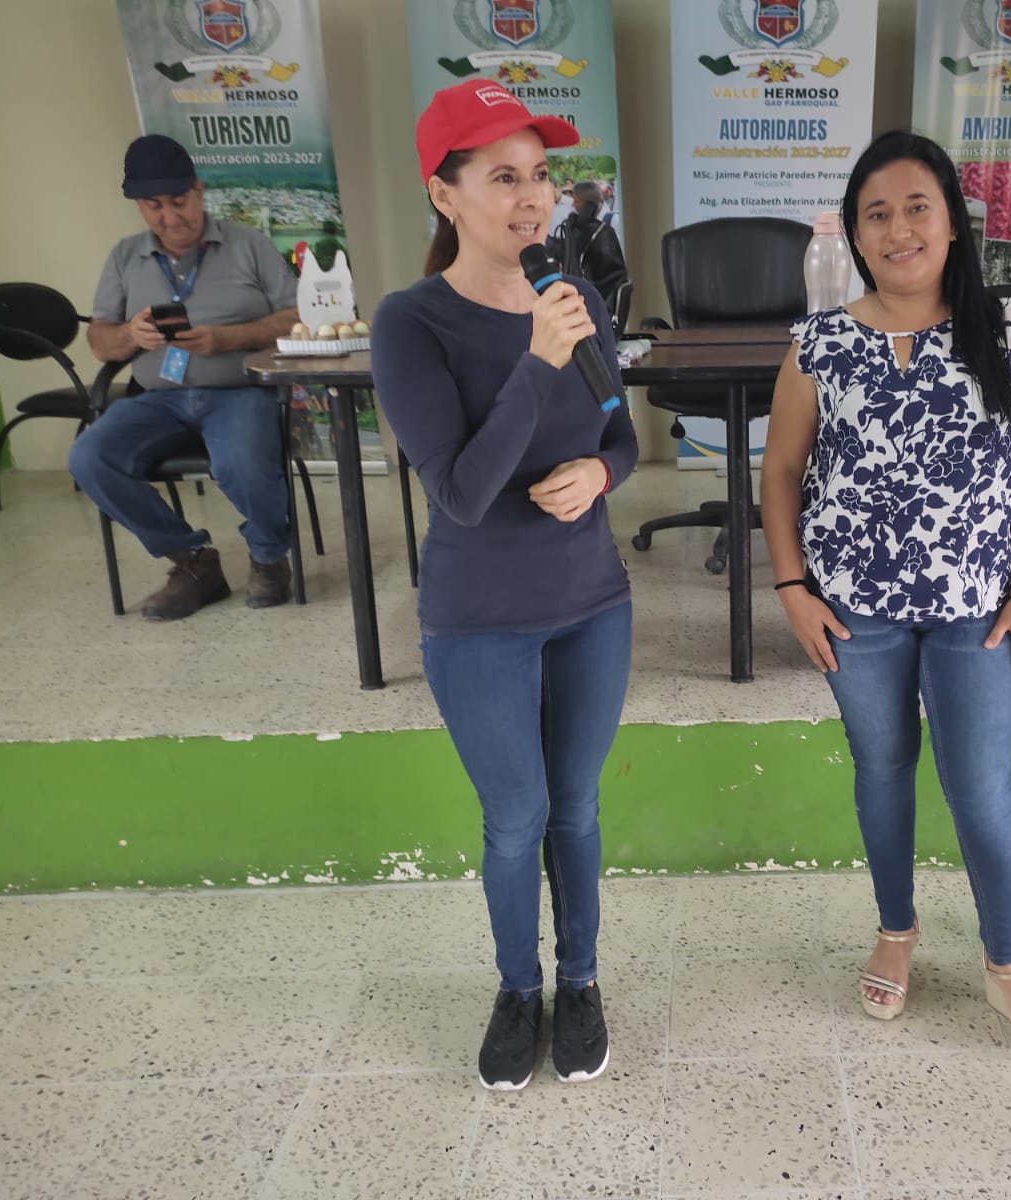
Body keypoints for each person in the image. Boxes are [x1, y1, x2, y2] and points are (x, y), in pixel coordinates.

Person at [761, 130, 1011, 1055]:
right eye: (877, 214)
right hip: (852, 608)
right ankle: (896, 930)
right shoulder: (819, 344)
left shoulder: (1008, 333)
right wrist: (791, 586)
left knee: (981, 788)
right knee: (883, 768)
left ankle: (1006, 960)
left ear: (952, 222)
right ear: (855, 233)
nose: (898, 230)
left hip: (979, 606)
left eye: (916, 208)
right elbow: (780, 472)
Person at [369, 79, 637, 1091]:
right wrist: (536, 360)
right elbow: (461, 494)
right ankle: (517, 988)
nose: (533, 198)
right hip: (479, 619)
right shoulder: (411, 323)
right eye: (503, 177)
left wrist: (601, 473)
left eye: (540, 174)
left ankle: (580, 981)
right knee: (516, 818)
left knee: (576, 809)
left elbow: (621, 433)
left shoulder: (578, 300)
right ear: (444, 196)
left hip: (591, 604)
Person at [70, 134, 302, 620]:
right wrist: (131, 335)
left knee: (240, 461)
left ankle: (268, 556)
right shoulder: (124, 256)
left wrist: (230, 338)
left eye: (179, 201)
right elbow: (100, 342)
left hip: (239, 392)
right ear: (138, 206)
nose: (171, 217)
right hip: (158, 399)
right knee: (89, 457)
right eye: (154, 206)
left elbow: (297, 317)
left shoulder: (249, 244)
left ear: (199, 190)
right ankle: (193, 561)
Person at [545, 179, 630, 331]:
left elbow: (612, 276)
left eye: (576, 201)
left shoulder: (606, 229)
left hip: (601, 309)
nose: (573, 205)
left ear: (588, 204)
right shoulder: (574, 228)